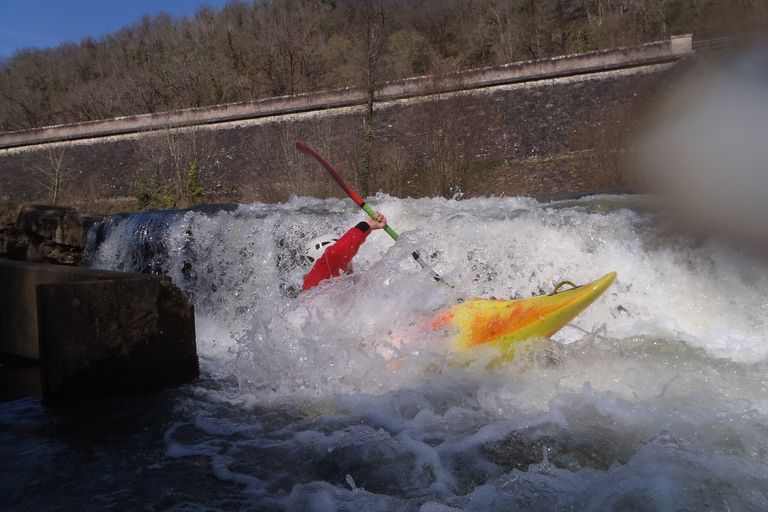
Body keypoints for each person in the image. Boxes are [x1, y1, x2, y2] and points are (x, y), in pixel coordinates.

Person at [302, 212, 387, 292]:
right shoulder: (322, 275)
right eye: (348, 256)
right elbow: (336, 253)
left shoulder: (314, 285)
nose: (350, 258)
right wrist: (367, 225)